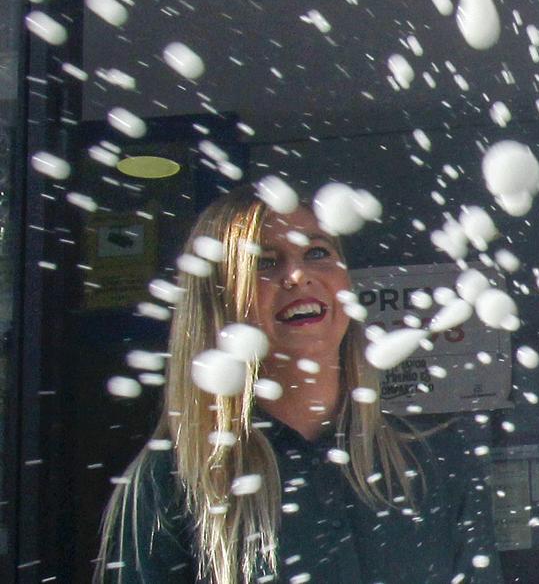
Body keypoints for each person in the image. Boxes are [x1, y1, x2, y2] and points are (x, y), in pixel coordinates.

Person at [96, 187, 499, 583]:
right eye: (265, 262)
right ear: (219, 302)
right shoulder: (171, 482)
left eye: (318, 252)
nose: (298, 275)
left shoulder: (434, 461)